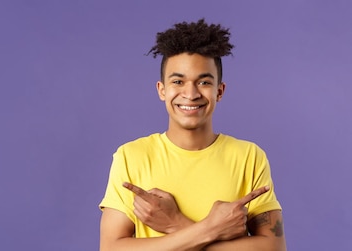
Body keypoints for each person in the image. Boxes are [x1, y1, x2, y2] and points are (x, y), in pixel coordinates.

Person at [98, 19, 286, 251]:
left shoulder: (249, 156)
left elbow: (274, 248)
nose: (190, 93)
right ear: (162, 90)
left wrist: (176, 224)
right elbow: (111, 248)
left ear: (219, 91)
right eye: (178, 81)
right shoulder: (131, 156)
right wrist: (212, 229)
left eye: (204, 82)